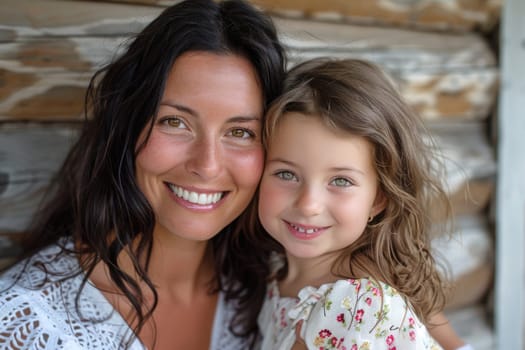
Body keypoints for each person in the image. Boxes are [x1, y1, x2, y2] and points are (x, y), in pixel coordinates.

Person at [0, 0, 285, 349]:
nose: (207, 165)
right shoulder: (28, 325)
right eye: (175, 122)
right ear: (127, 128)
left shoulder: (274, 292)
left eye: (240, 132)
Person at [249, 57, 474, 349]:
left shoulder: (363, 309)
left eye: (341, 181)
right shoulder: (274, 269)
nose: (308, 204)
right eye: (286, 174)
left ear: (379, 198)